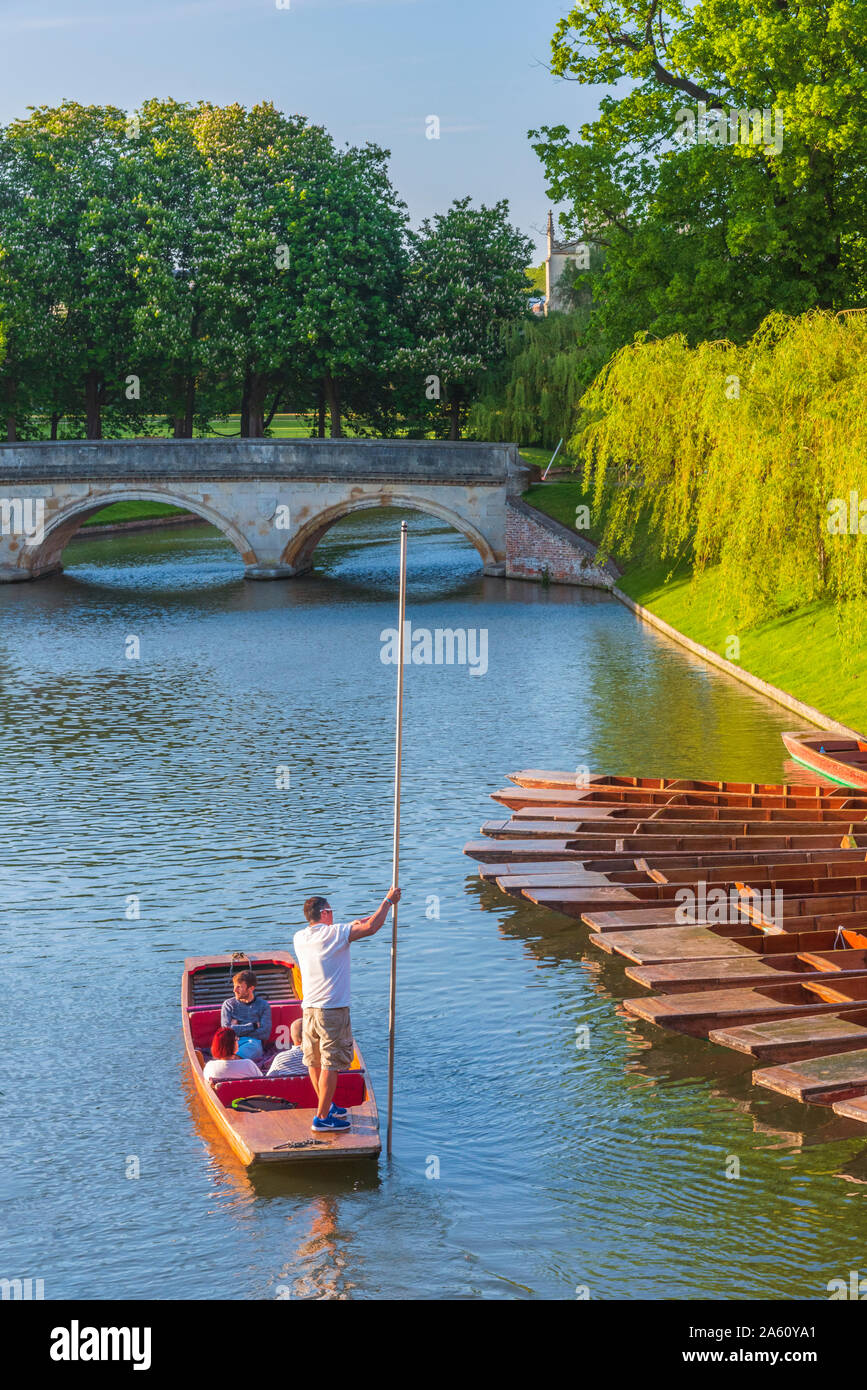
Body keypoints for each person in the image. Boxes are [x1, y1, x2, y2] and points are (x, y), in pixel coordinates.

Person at [293, 886, 400, 1133]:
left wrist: (356, 921)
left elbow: (352, 926)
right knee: (331, 1063)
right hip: (332, 1010)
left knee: (314, 1060)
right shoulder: (336, 934)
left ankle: (327, 1106)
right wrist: (388, 901)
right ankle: (321, 1117)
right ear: (326, 913)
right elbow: (372, 928)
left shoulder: (300, 937)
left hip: (308, 1009)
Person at [220, 969, 272, 1061]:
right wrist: (253, 1026)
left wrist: (235, 1027)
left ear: (251, 988)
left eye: (239, 987)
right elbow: (226, 1031)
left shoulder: (263, 1005)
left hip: (252, 1044)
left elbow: (264, 1033)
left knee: (253, 1046)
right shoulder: (228, 1004)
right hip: (231, 1042)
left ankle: (232, 1061)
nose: (234, 990)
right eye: (234, 986)